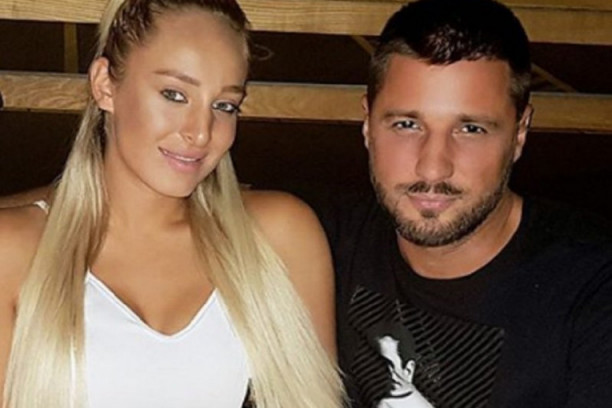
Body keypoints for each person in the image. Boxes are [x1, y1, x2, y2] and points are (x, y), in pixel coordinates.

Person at [0, 0, 344, 407]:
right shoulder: (15, 252)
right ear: (105, 85)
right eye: (174, 95)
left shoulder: (277, 235)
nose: (201, 132)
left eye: (224, 105)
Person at [317, 0, 612, 407]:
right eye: (407, 124)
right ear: (368, 124)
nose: (433, 167)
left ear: (520, 133)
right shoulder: (319, 244)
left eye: (470, 129)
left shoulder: (592, 289)